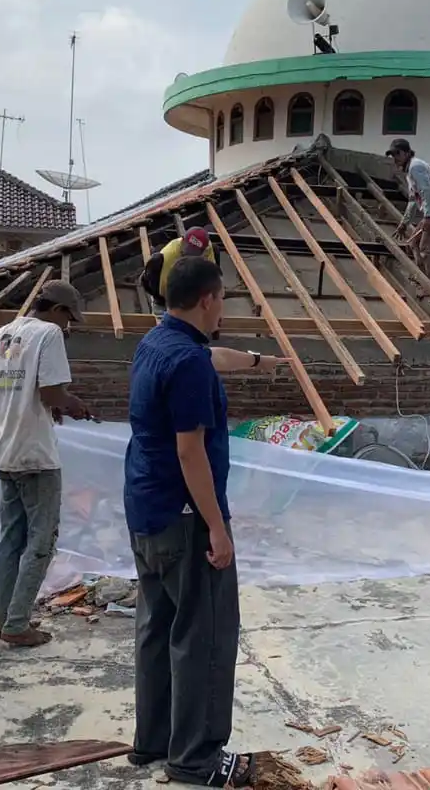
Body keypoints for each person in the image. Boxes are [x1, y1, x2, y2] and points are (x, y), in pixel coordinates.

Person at [123, 256, 285, 787]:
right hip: (186, 515)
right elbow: (190, 451)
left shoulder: (157, 344)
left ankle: (153, 742)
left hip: (146, 510)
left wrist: (263, 362)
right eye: (223, 299)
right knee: (205, 636)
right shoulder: (187, 361)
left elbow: (211, 356)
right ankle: (196, 758)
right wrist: (216, 527)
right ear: (209, 299)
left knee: (158, 627)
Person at [0, 279, 98, 648]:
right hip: (35, 454)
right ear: (57, 310)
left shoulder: (4, 332)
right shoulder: (48, 334)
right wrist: (73, 404)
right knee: (41, 542)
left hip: (4, 449)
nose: (69, 328)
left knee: (10, 540)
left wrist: (48, 407)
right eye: (69, 319)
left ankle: (4, 619)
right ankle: (17, 623)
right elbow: (50, 391)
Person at [387, 138, 430, 286]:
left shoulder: (415, 167)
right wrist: (404, 224)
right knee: (413, 242)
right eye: (392, 155)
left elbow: (426, 191)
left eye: (397, 154)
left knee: (426, 247)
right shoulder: (410, 173)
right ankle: (422, 278)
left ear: (406, 153)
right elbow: (413, 200)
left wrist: (429, 216)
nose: (395, 159)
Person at [141, 226, 218, 310]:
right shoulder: (169, 255)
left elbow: (212, 276)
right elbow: (166, 287)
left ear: (203, 251)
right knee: (154, 265)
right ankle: (159, 302)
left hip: (190, 283)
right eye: (188, 248)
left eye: (194, 252)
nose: (189, 252)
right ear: (183, 240)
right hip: (165, 288)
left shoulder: (208, 250)